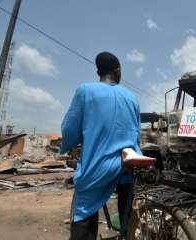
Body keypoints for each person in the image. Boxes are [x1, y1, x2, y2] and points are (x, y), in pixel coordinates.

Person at [61, 52, 142, 240]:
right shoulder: (132, 97)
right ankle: (127, 233)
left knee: (84, 210)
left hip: (98, 166)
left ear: (99, 72)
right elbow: (136, 134)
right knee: (127, 211)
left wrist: (70, 145)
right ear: (118, 71)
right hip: (127, 162)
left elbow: (69, 129)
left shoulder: (85, 91)